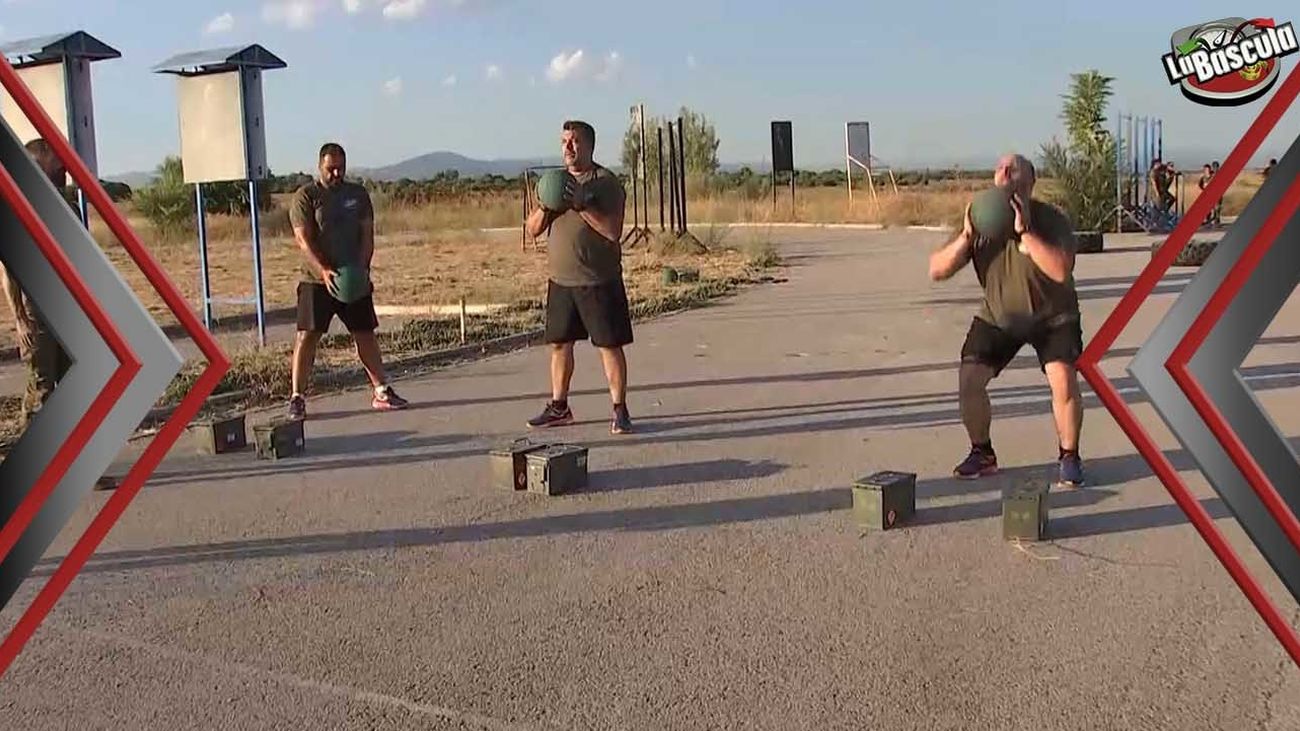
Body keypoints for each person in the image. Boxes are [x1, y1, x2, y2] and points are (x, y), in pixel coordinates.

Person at [928, 153, 1085, 487]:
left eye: (1012, 167)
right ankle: (982, 453)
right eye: (998, 167)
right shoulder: (980, 217)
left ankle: (1069, 456)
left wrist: (1026, 233)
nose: (1002, 171)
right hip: (1000, 315)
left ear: (1030, 180)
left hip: (1053, 316)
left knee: (1063, 381)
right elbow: (936, 270)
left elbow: (1061, 269)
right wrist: (966, 239)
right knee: (969, 380)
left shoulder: (1051, 218)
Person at [523, 120, 633, 435]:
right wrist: (547, 206)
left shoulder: (605, 182)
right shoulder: (551, 184)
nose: (568, 147)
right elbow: (532, 230)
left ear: (589, 146)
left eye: (574, 141)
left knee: (609, 346)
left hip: (599, 280)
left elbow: (612, 231)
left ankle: (620, 410)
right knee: (559, 345)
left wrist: (580, 204)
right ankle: (559, 407)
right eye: (563, 141)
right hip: (561, 281)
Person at [286, 142, 408, 420]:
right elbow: (303, 240)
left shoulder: (358, 195)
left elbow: (367, 235)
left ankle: (381, 391)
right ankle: (297, 397)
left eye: (341, 167)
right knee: (307, 336)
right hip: (317, 280)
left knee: (364, 332)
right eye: (331, 169)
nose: (337, 173)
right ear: (320, 166)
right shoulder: (307, 196)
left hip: (353, 276)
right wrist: (323, 270)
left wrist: (364, 270)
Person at [2, 139, 73, 428]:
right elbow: (8, 270)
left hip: (69, 311)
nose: (62, 166)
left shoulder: (66, 207)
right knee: (41, 393)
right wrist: (19, 318)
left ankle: (78, 469)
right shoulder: (20, 211)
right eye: (55, 160)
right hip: (37, 311)